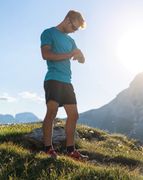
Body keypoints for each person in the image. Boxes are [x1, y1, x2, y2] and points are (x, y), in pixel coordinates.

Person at [40, 10, 87, 160]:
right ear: (67, 20)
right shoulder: (48, 33)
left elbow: (81, 60)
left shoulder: (70, 41)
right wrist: (69, 55)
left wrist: (80, 56)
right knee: (52, 112)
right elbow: (46, 55)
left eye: (77, 29)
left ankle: (71, 151)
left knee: (74, 115)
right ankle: (48, 149)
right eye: (74, 27)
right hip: (53, 79)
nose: (75, 31)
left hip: (67, 82)